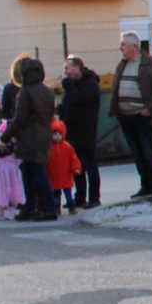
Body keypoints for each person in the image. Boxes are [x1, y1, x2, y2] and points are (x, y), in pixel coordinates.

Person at [108, 33, 152, 202]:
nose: (121, 48)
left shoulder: (151, 64)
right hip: (125, 116)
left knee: (148, 152)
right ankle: (146, 185)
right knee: (137, 153)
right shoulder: (122, 65)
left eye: (123, 44)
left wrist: (148, 109)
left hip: (142, 117)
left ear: (134, 46)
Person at [10, 57, 55, 221]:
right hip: (44, 134)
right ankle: (32, 207)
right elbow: (50, 114)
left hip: (29, 137)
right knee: (30, 171)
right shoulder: (47, 91)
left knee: (36, 173)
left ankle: (47, 209)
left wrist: (5, 137)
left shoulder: (25, 92)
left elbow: (20, 119)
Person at [59, 56, 102, 208]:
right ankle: (80, 197)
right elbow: (69, 104)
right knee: (77, 166)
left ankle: (94, 198)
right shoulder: (74, 85)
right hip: (72, 132)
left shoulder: (90, 84)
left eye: (67, 68)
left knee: (89, 164)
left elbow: (79, 99)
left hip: (85, 131)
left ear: (77, 68)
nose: (65, 72)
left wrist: (67, 84)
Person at [45, 119, 82, 216]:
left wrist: (76, 168)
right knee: (56, 193)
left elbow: (73, 159)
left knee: (68, 193)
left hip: (65, 175)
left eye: (59, 134)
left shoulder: (67, 147)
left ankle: (71, 206)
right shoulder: (49, 147)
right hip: (54, 176)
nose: (57, 137)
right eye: (55, 134)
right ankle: (57, 207)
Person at [0, 121, 23, 220]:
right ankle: (0, 210)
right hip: (0, 170)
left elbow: (18, 158)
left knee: (12, 190)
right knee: (0, 190)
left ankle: (12, 210)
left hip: (10, 169)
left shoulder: (14, 143)